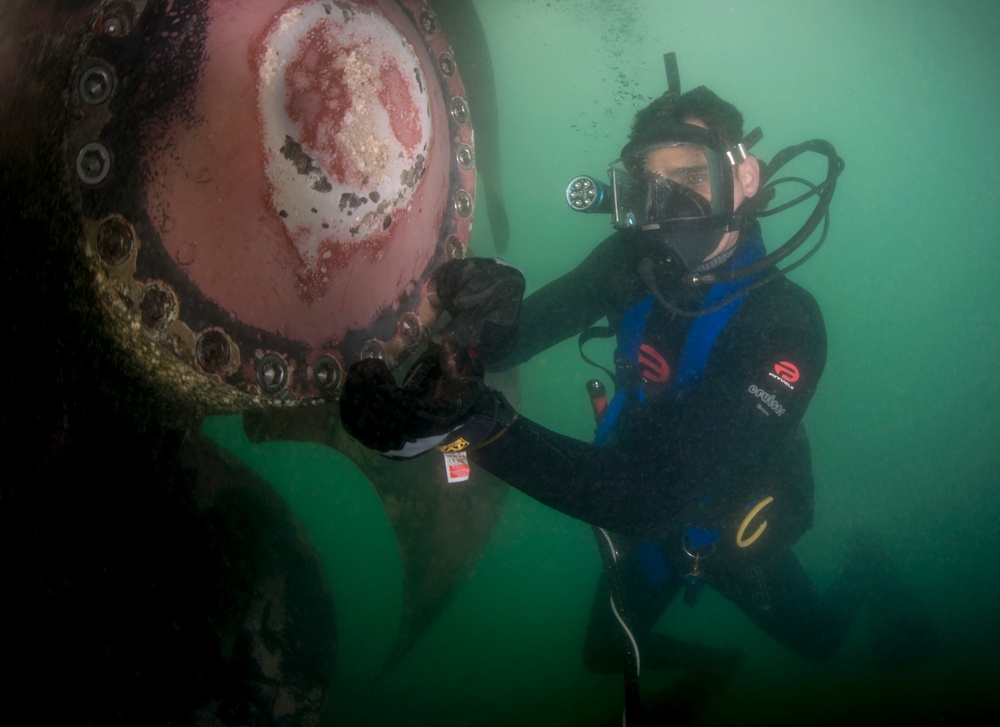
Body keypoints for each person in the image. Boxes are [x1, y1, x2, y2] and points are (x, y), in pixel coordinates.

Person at [340, 61, 935, 722]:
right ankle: (719, 670)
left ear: (743, 178)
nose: (666, 207)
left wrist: (478, 425)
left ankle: (869, 563)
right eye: (647, 185)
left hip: (726, 524)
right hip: (638, 501)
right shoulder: (631, 264)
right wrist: (473, 327)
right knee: (601, 648)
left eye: (688, 178)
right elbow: (522, 334)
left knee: (819, 641)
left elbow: (659, 489)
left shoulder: (787, 326)